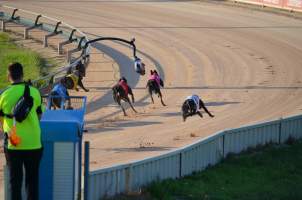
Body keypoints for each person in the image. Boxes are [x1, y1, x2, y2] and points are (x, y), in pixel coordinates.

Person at [0, 62, 43, 200]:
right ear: (22, 75)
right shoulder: (35, 92)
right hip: (34, 143)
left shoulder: (3, 95)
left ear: (8, 76)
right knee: (32, 181)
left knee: (15, 182)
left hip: (14, 144)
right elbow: (39, 115)